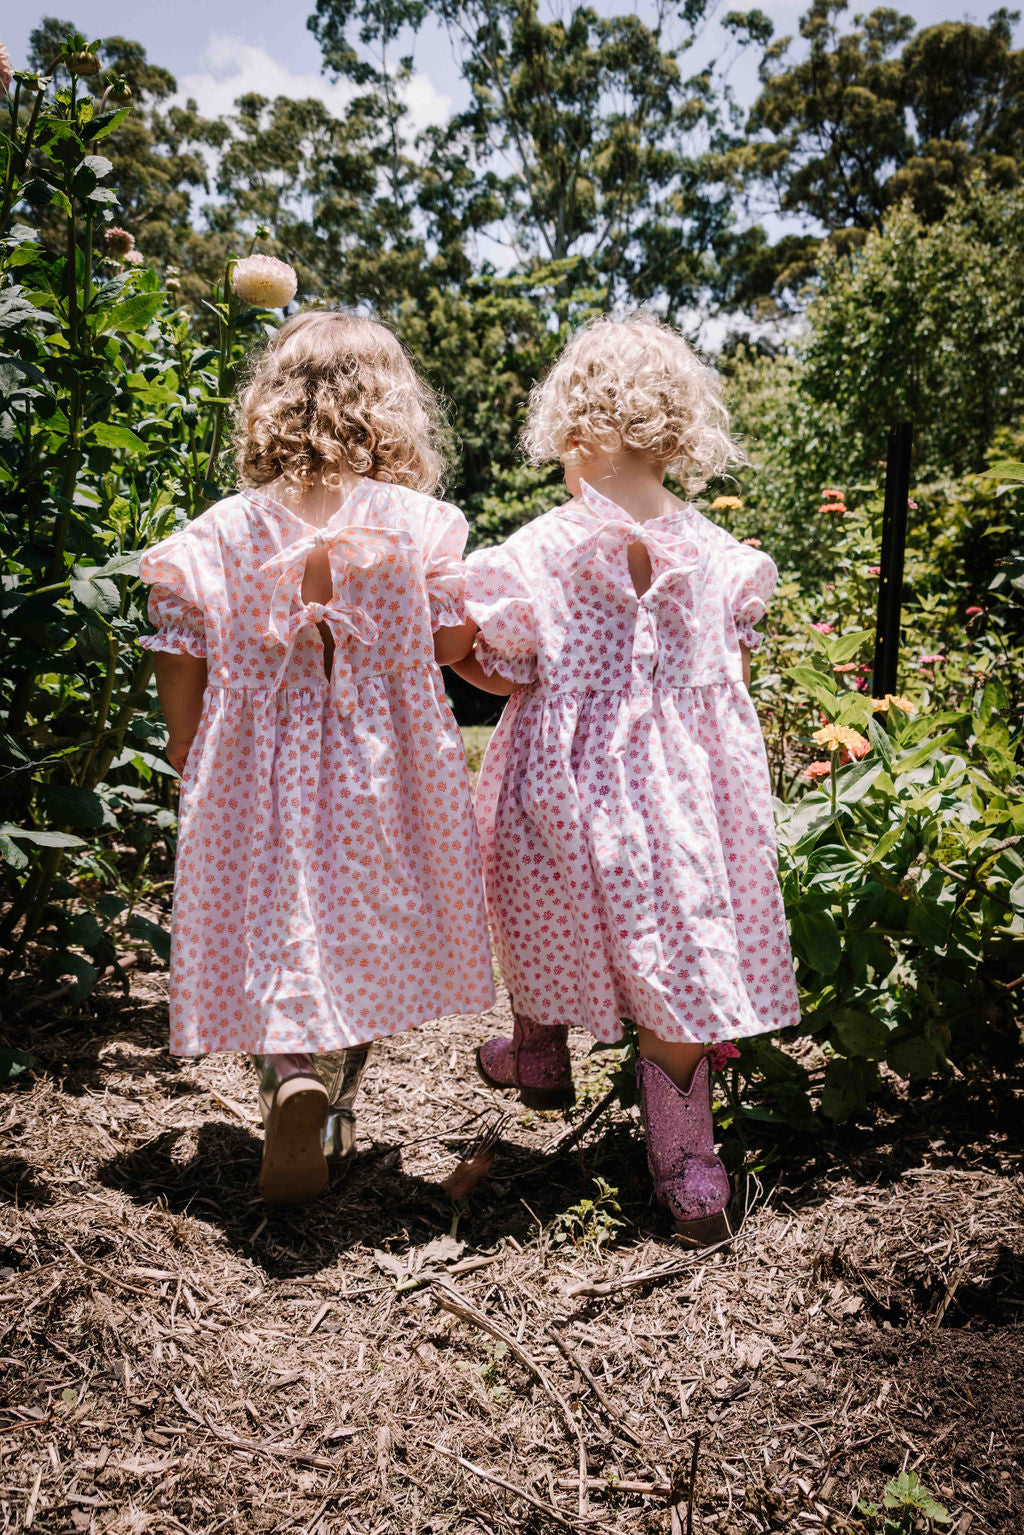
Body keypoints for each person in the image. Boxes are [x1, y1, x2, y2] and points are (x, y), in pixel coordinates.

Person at [450, 313, 800, 1243]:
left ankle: (537, 1053)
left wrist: (468, 649)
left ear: (576, 433)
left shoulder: (539, 550)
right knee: (676, 951)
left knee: (539, 903)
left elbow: (503, 666)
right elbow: (730, 681)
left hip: (566, 792)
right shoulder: (723, 557)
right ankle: (690, 1167)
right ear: (675, 433)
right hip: (684, 799)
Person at [139, 310, 495, 1205]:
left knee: (280, 913)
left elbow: (177, 647)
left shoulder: (224, 529)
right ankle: (337, 1100)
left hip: (256, 768)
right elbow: (453, 643)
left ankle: (289, 1070)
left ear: (272, 406)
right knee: (359, 920)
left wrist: (187, 744)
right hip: (384, 768)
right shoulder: (418, 524)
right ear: (389, 410)